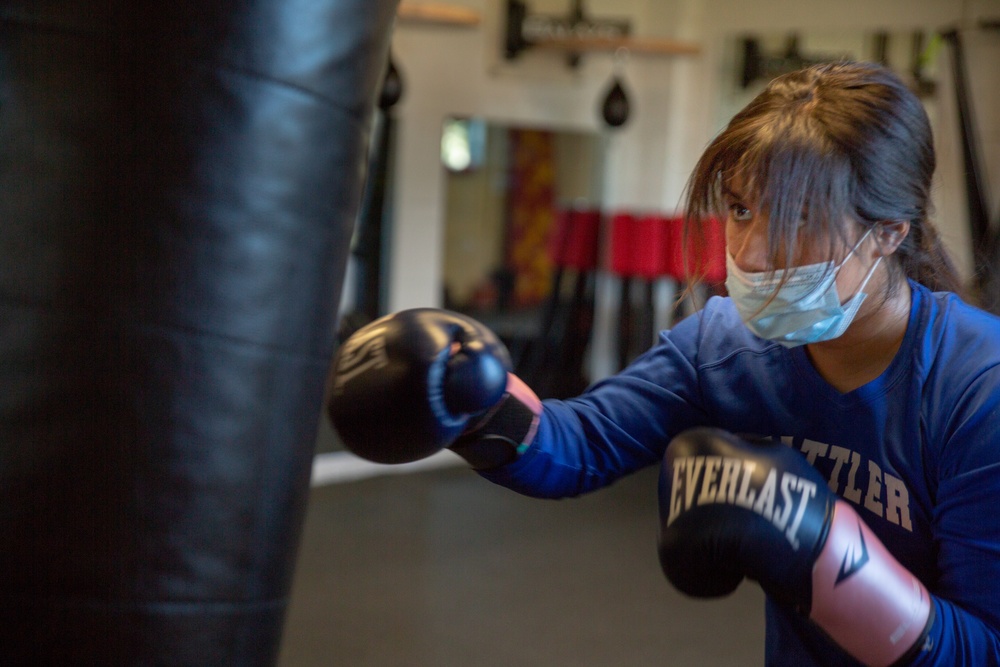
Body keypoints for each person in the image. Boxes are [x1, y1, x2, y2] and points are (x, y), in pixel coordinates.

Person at [328, 61, 1000, 666]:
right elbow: (578, 442)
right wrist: (473, 398)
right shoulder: (726, 346)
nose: (754, 253)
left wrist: (829, 560)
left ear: (888, 232)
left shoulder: (976, 391)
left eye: (797, 219)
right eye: (740, 208)